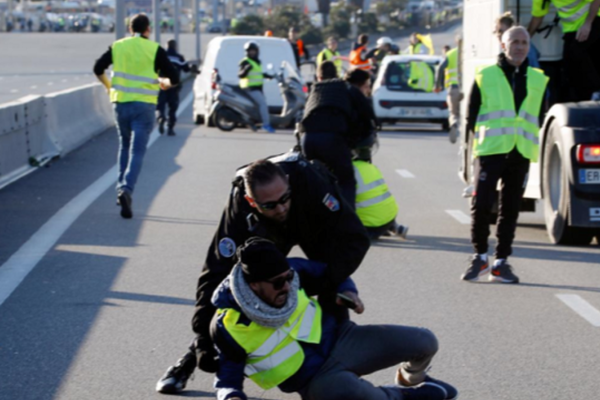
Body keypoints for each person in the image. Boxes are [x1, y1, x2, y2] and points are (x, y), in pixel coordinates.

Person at [155, 154, 371, 394]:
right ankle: (188, 360)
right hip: (263, 235)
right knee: (242, 294)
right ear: (251, 200)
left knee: (332, 290)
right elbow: (215, 276)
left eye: (283, 199)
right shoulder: (239, 211)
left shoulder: (311, 183)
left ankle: (340, 373)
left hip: (309, 220)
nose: (280, 208)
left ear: (288, 184)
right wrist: (205, 340)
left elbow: (354, 241)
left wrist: (329, 283)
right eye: (270, 204)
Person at [211, 238, 458, 400]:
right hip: (316, 381)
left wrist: (348, 290)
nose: (287, 286)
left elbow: (333, 274)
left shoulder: (292, 271)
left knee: (425, 341)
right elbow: (227, 378)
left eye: (287, 277)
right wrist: (231, 395)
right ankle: (404, 395)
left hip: (344, 340)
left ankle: (410, 377)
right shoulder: (228, 326)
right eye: (277, 283)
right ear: (254, 285)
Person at [461, 26, 548, 284]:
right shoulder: (485, 75)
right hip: (491, 151)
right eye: (514, 42)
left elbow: (540, 115)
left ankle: (501, 262)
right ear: (503, 45)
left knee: (510, 209)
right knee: (481, 205)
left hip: (520, 153)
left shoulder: (538, 79)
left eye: (524, 42)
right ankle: (479, 257)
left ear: (529, 46)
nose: (520, 47)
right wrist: (482, 142)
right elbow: (472, 115)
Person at [93, 13, 179, 219]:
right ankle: (127, 189)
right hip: (145, 107)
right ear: (148, 29)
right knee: (137, 151)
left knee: (124, 145)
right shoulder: (154, 49)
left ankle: (120, 189)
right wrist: (165, 84)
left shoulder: (118, 46)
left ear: (130, 29)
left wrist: (108, 87)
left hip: (120, 104)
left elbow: (98, 68)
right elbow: (174, 77)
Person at [299, 62, 377, 207]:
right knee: (346, 180)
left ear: (318, 75)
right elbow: (368, 116)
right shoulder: (348, 89)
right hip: (332, 139)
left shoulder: (316, 89)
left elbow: (304, 118)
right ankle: (347, 223)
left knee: (314, 181)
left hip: (307, 139)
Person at [528, 0, 600, 101]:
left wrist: (588, 24)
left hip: (594, 20)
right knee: (568, 69)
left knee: (576, 54)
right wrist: (525, 38)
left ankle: (596, 94)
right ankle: (584, 104)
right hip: (571, 29)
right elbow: (537, 17)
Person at [352, 135, 409, 241]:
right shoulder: (370, 167)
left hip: (369, 226)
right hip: (389, 217)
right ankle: (394, 227)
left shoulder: (345, 171)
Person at [238, 41, 275, 133]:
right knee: (263, 104)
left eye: (253, 51)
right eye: (250, 51)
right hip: (249, 88)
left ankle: (254, 121)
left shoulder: (257, 62)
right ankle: (266, 124)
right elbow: (240, 75)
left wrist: (267, 76)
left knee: (259, 105)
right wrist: (245, 70)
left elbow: (257, 74)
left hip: (257, 87)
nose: (252, 52)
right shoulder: (245, 62)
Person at [157, 39, 192, 136]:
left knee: (161, 104)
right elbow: (186, 69)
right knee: (173, 107)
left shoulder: (160, 55)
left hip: (162, 83)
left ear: (166, 46)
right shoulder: (179, 57)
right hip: (173, 84)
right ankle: (170, 128)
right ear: (175, 47)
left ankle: (161, 117)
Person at [435, 41, 462, 144]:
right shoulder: (467, 52)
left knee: (454, 113)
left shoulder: (450, 54)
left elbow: (440, 68)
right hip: (466, 88)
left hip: (454, 88)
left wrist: (437, 86)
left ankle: (454, 124)